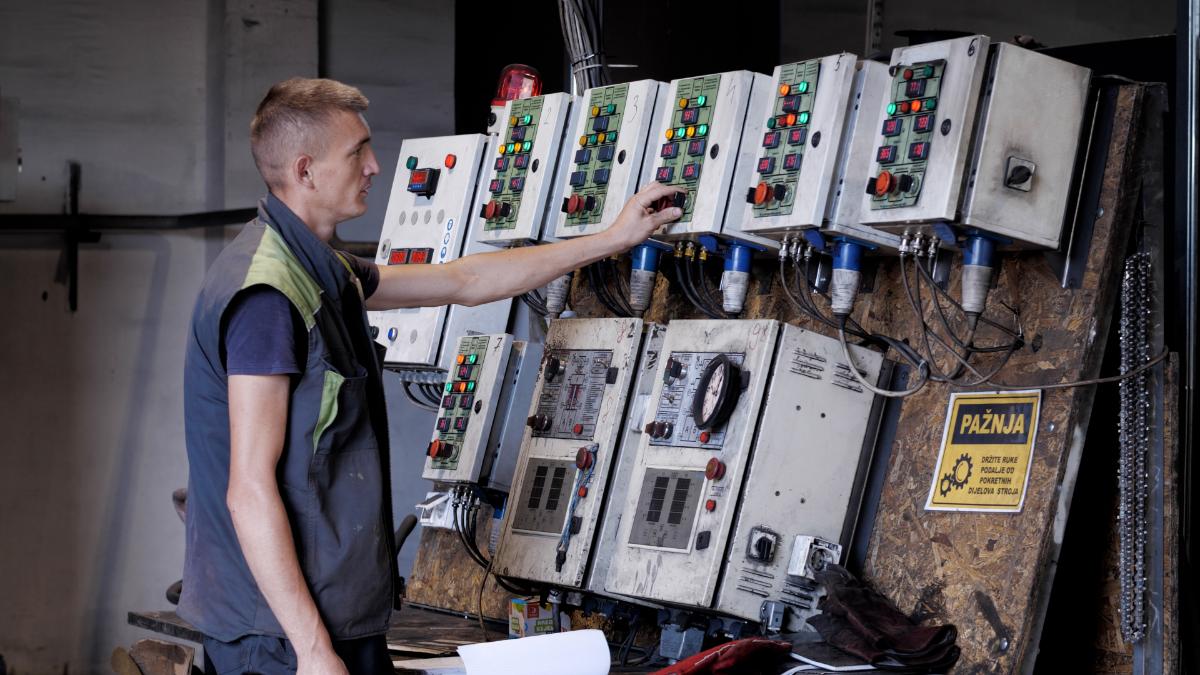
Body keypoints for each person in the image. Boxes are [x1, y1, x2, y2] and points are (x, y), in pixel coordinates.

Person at [178, 77, 683, 674]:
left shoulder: (321, 270)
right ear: (305, 170)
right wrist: (312, 649)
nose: (374, 165)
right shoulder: (268, 295)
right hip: (282, 637)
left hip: (329, 614)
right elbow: (249, 489)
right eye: (357, 152)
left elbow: (463, 280)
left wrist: (610, 239)